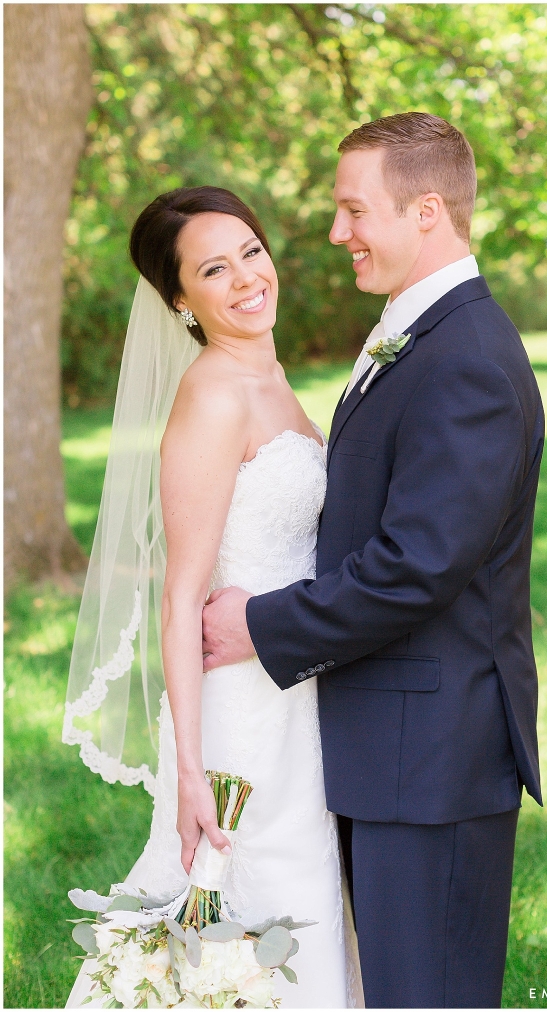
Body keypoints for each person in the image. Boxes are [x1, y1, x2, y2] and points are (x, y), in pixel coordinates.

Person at [201, 112, 545, 1009]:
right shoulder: (418, 330)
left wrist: (258, 623)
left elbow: (414, 566)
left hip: (431, 758)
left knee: (423, 993)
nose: (333, 233)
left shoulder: (464, 356)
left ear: (424, 211)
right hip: (393, 746)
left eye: (353, 211)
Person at [63, 186, 360, 1008]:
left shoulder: (268, 375)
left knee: (301, 902)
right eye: (213, 270)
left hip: (296, 690)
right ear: (180, 301)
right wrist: (190, 776)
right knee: (247, 917)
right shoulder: (212, 395)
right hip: (240, 716)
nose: (244, 279)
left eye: (250, 254)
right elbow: (179, 599)